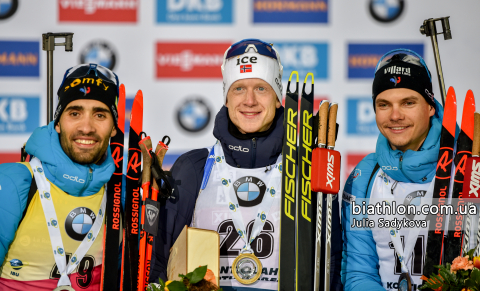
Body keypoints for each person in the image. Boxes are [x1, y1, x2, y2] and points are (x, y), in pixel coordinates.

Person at [150, 39, 343, 290]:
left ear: (278, 99)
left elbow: (333, 264)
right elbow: (159, 264)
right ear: (226, 98)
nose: (249, 100)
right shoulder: (194, 167)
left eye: (261, 89)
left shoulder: (307, 168)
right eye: (238, 89)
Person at [0, 64, 119, 291]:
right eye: (74, 113)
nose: (86, 127)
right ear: (57, 123)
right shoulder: (12, 183)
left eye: (100, 115)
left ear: (114, 127)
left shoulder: (121, 193)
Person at [341, 49, 444, 290]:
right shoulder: (364, 176)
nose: (395, 116)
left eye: (408, 102)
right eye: (384, 104)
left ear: (430, 106)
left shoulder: (468, 170)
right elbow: (358, 273)